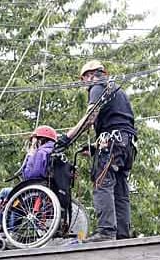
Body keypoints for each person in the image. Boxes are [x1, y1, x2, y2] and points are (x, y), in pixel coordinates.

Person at [57, 60, 137, 242]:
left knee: (102, 183)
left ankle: (106, 232)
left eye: (84, 79)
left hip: (112, 141)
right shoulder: (119, 91)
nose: (85, 83)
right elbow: (121, 122)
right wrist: (94, 147)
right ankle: (122, 234)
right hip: (127, 145)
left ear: (89, 75)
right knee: (120, 190)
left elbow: (90, 117)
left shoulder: (98, 85)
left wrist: (67, 139)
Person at [0, 125, 57, 236]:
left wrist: (30, 155)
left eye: (34, 140)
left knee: (6, 193)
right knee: (17, 195)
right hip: (47, 190)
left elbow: (30, 175)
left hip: (37, 190)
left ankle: (3, 230)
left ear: (40, 139)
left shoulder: (41, 152)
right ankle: (9, 229)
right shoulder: (54, 151)